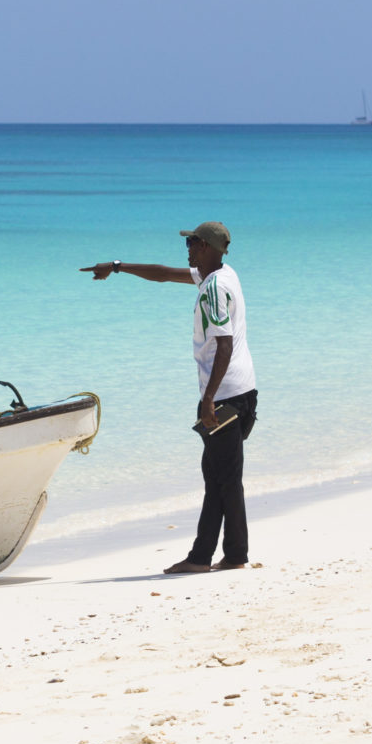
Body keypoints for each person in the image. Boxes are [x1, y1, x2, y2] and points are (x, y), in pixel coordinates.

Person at [80, 220, 258, 575]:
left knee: (221, 479)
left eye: (191, 242)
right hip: (242, 391)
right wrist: (117, 267)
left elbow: (224, 345)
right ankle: (229, 554)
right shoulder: (221, 275)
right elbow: (162, 274)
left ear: (205, 247)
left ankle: (209, 557)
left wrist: (209, 399)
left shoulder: (213, 289)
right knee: (221, 477)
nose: (187, 248)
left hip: (225, 396)